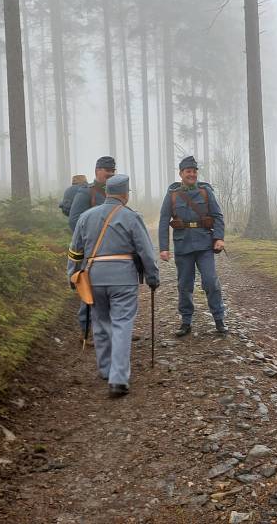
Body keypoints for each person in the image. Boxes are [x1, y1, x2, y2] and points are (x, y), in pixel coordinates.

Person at [67, 174, 159, 397]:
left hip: (94, 277)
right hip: (123, 279)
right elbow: (145, 251)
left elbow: (75, 250)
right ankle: (118, 380)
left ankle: (105, 369)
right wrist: (152, 277)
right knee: (122, 324)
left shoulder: (86, 217)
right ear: (125, 195)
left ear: (107, 193)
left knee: (100, 322)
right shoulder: (131, 217)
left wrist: (72, 275)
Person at [158, 156, 227, 337]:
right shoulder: (172, 194)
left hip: (204, 244)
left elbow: (218, 216)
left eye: (194, 171)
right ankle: (186, 321)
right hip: (183, 245)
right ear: (181, 173)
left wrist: (219, 237)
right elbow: (164, 220)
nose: (192, 174)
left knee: (211, 282)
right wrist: (163, 247)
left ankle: (219, 319)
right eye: (188, 171)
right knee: (184, 285)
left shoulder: (205, 192)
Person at [69, 156, 116, 340]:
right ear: (97, 171)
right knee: (89, 290)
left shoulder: (114, 192)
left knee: (112, 291)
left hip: (112, 250)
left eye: (113, 171)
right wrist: (88, 240)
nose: (110, 174)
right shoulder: (86, 193)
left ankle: (112, 331)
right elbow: (75, 221)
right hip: (91, 251)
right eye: (107, 171)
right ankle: (86, 332)